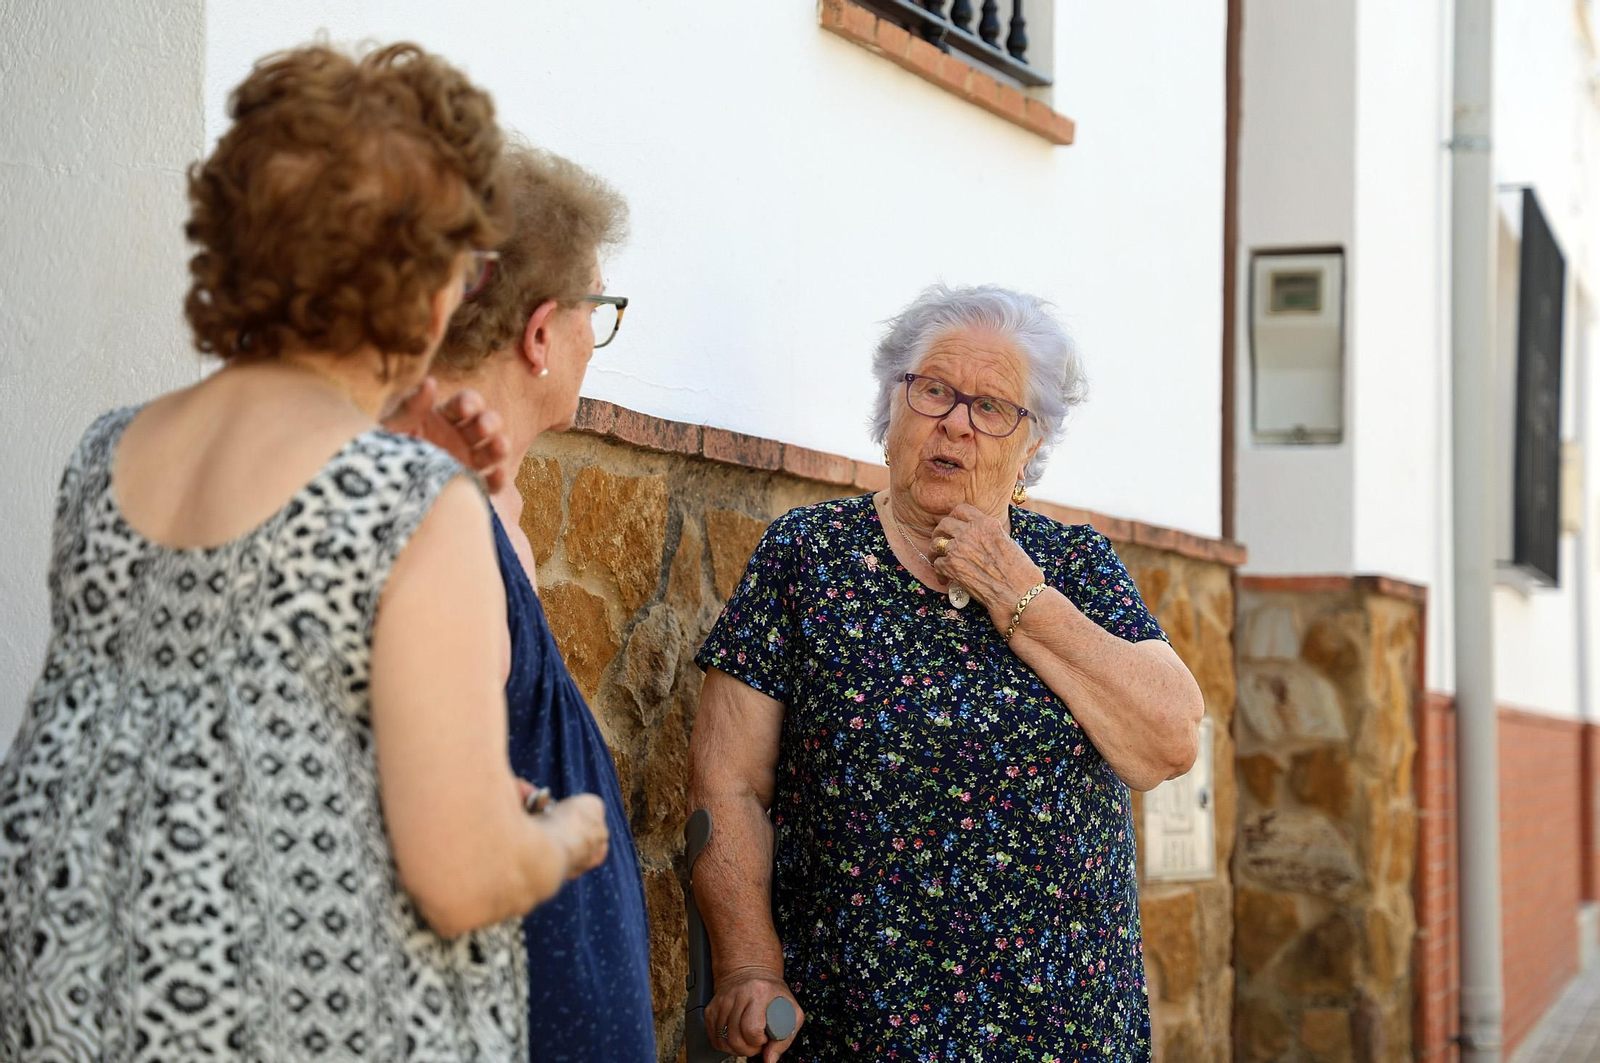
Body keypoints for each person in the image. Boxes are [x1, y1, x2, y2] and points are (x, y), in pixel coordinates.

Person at [0, 43, 609, 1060]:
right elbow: (459, 877)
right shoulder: (414, 504)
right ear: (425, 288)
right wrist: (563, 836)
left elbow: (219, 720)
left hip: (80, 1000)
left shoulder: (106, 454)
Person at [688, 285, 1207, 1062]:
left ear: (1030, 445)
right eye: (933, 390)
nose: (956, 421)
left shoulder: (1076, 568)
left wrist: (1015, 592)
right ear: (890, 409)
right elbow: (726, 783)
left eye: (992, 407)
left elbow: (1168, 740)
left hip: (1064, 1031)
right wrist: (749, 964)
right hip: (861, 1028)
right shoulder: (810, 557)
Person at [427, 143, 654, 1060]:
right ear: (540, 332)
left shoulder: (482, 510)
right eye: (596, 311)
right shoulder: (442, 530)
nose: (593, 342)